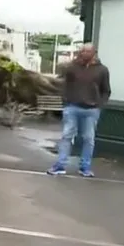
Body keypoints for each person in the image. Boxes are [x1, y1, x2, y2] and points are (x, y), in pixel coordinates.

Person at [47, 43, 111, 177]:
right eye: (82, 51)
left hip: (91, 110)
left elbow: (106, 90)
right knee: (66, 136)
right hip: (72, 107)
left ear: (94, 53)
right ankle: (60, 165)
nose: (84, 54)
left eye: (88, 51)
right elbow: (63, 83)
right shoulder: (72, 68)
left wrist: (99, 104)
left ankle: (85, 167)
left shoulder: (102, 70)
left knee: (88, 139)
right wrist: (66, 100)